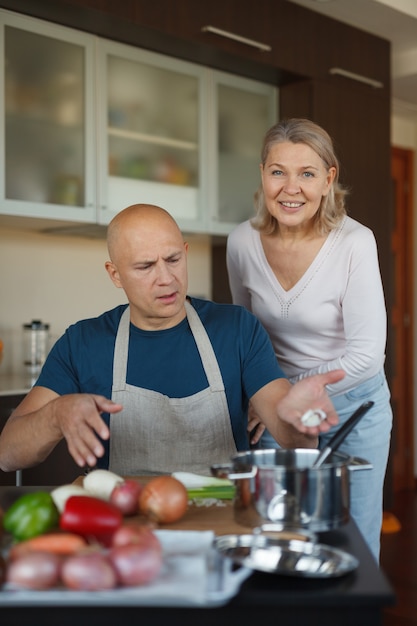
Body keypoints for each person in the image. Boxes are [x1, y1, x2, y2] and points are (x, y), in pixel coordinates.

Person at [0, 203, 344, 479]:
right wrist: (55, 416)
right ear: (114, 274)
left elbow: (297, 440)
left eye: (174, 260)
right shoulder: (82, 343)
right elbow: (7, 454)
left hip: (222, 522)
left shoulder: (237, 330)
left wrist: (305, 419)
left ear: (186, 251)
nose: (166, 278)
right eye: (145, 266)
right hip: (125, 528)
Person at [226, 118, 393, 562]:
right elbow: (245, 336)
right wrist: (267, 396)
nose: (290, 187)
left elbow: (366, 355)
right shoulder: (242, 242)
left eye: (307, 173)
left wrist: (286, 394)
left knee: (353, 544)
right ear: (262, 174)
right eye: (278, 171)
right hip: (277, 409)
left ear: (328, 179)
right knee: (275, 534)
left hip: (353, 410)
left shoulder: (355, 242)